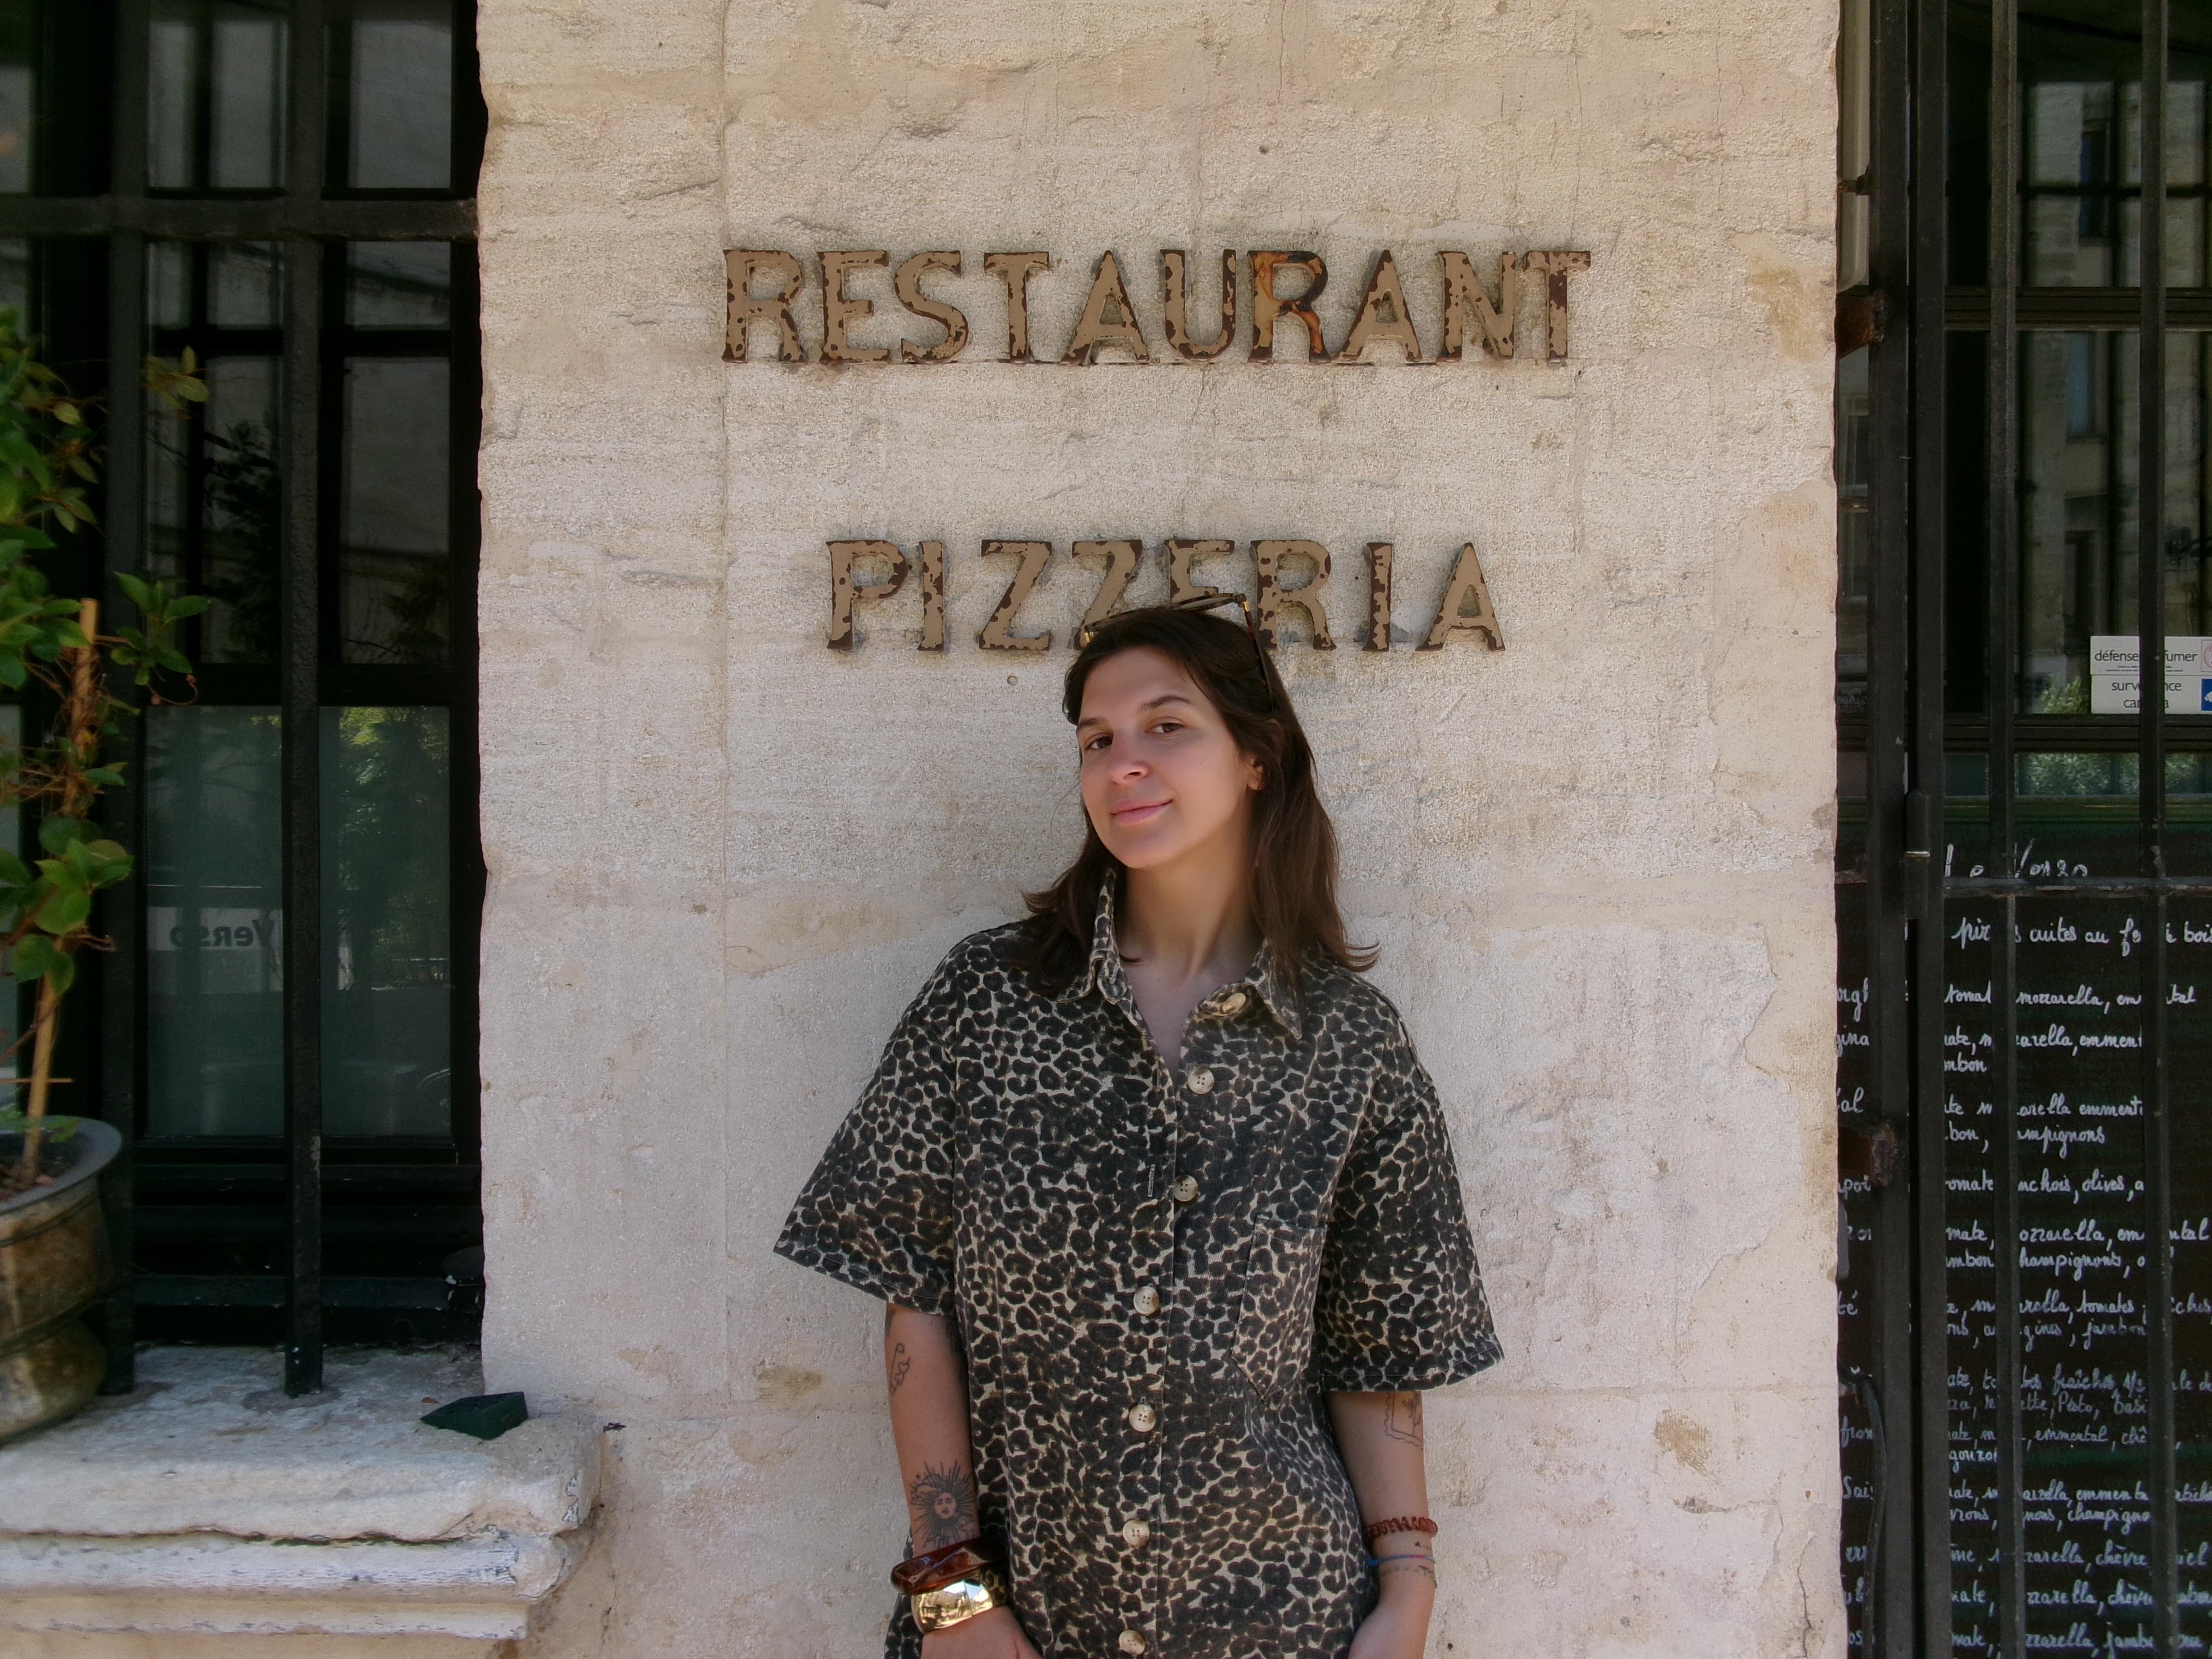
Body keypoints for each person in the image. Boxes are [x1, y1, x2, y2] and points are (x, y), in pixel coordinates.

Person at [776, 598, 1500, 1659]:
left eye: (1167, 726)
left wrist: (1408, 1593)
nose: (1124, 763)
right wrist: (951, 1592)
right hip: (1018, 1625)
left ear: (1257, 758)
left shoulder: (1350, 1044)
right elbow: (913, 1301)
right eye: (1097, 740)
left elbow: (1378, 1349)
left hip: (1284, 1618)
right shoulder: (990, 1001)